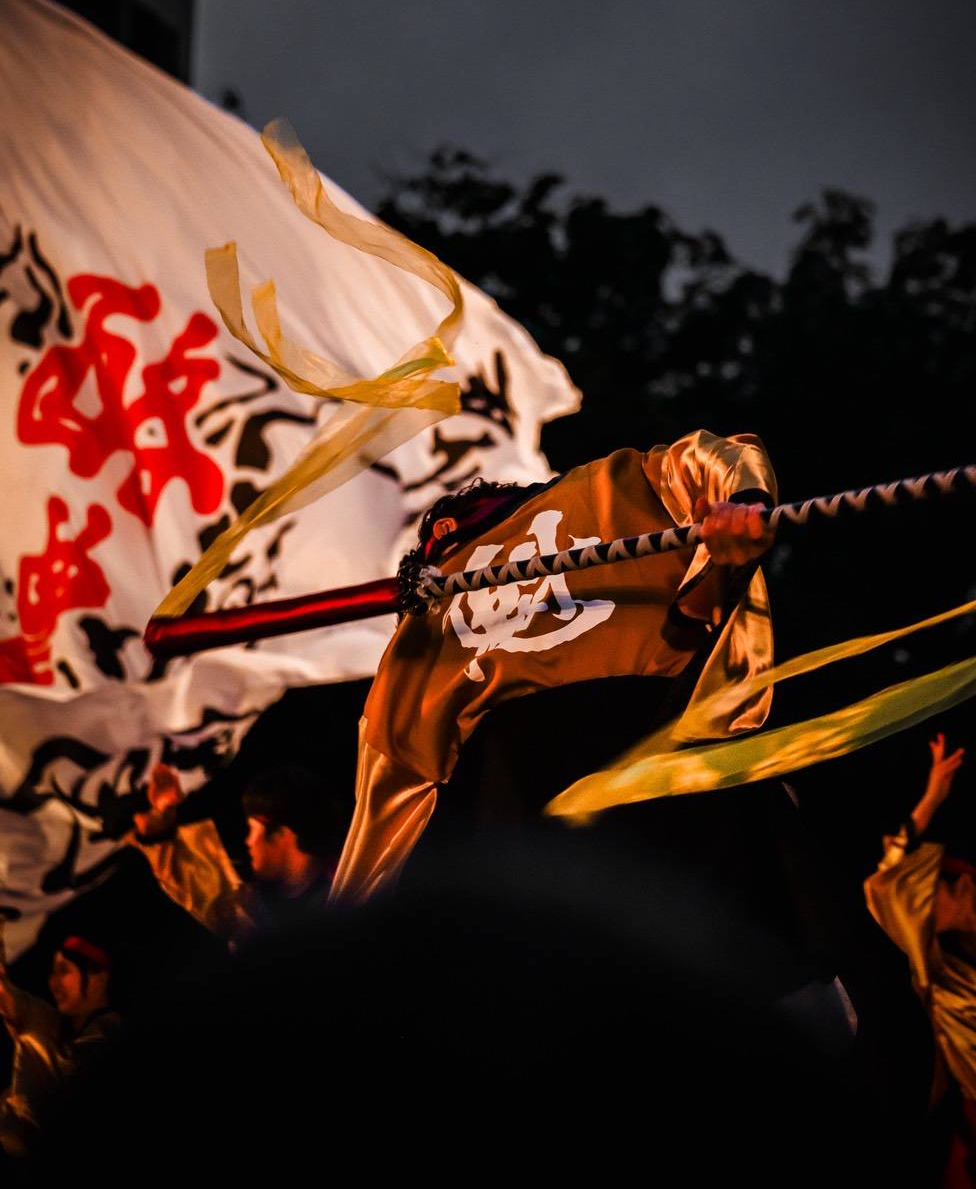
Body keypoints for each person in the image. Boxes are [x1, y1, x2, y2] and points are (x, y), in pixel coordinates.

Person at [333, 425, 777, 901]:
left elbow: (386, 796)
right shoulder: (425, 619)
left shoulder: (607, 483)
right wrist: (744, 501)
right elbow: (724, 455)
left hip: (594, 776)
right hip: (642, 756)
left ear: (443, 528)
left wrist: (739, 514)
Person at [865, 734, 976, 1181]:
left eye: (935, 886)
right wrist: (929, 801)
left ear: (968, 887)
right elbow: (883, 889)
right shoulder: (941, 982)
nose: (923, 901)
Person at [132, 763, 339, 949]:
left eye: (252, 829)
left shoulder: (347, 890)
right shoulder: (254, 906)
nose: (248, 841)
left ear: (282, 833)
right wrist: (160, 829)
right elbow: (201, 888)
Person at [0, 933, 119, 1156]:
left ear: (98, 977)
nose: (53, 982)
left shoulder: (112, 1034)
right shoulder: (53, 1024)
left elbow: (65, 1074)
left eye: (64, 971)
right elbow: (11, 1001)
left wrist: (30, 1033)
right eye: (52, 972)